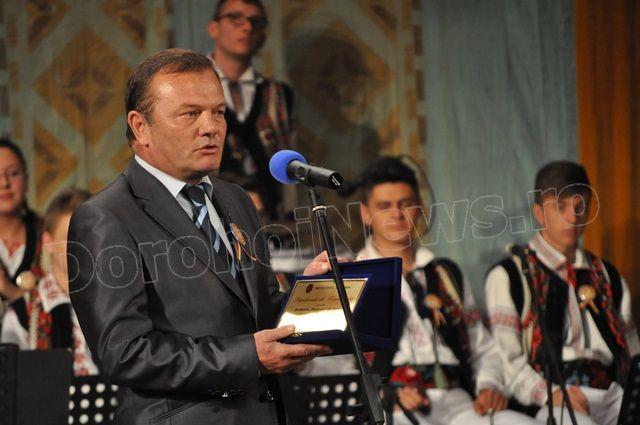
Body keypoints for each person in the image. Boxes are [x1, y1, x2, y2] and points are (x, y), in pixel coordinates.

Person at [67, 48, 331, 425]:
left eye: (218, 112)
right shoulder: (104, 217)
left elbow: (258, 311)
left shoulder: (236, 199)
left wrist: (311, 292)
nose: (211, 127)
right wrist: (248, 357)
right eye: (190, 114)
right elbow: (124, 353)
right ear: (140, 126)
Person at [313, 156, 538, 425]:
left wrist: (489, 386)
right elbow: (334, 365)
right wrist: (384, 393)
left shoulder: (445, 273)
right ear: (365, 214)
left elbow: (482, 348)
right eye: (384, 206)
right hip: (392, 409)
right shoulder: (350, 276)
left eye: (405, 204)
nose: (396, 214)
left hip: (458, 402)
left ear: (419, 207)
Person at [485, 161, 640, 425]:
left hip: (613, 395)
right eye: (560, 207)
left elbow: (632, 349)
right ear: (539, 213)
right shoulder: (511, 275)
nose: (572, 217)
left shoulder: (607, 275)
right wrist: (551, 394)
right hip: (549, 399)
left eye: (580, 207)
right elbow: (507, 361)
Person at [207, 0, 293, 220]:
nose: (247, 27)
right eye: (235, 18)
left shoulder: (278, 94)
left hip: (268, 219)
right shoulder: (191, 88)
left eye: (256, 22)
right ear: (213, 28)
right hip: (208, 214)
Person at [1, 188, 97, 376]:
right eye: (70, 237)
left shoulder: (116, 301)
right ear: (48, 242)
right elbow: (11, 381)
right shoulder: (25, 311)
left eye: (89, 236)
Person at [0, 139, 40, 316]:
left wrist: (9, 290)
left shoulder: (47, 238)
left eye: (13, 173)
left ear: (26, 179)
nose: (4, 183)